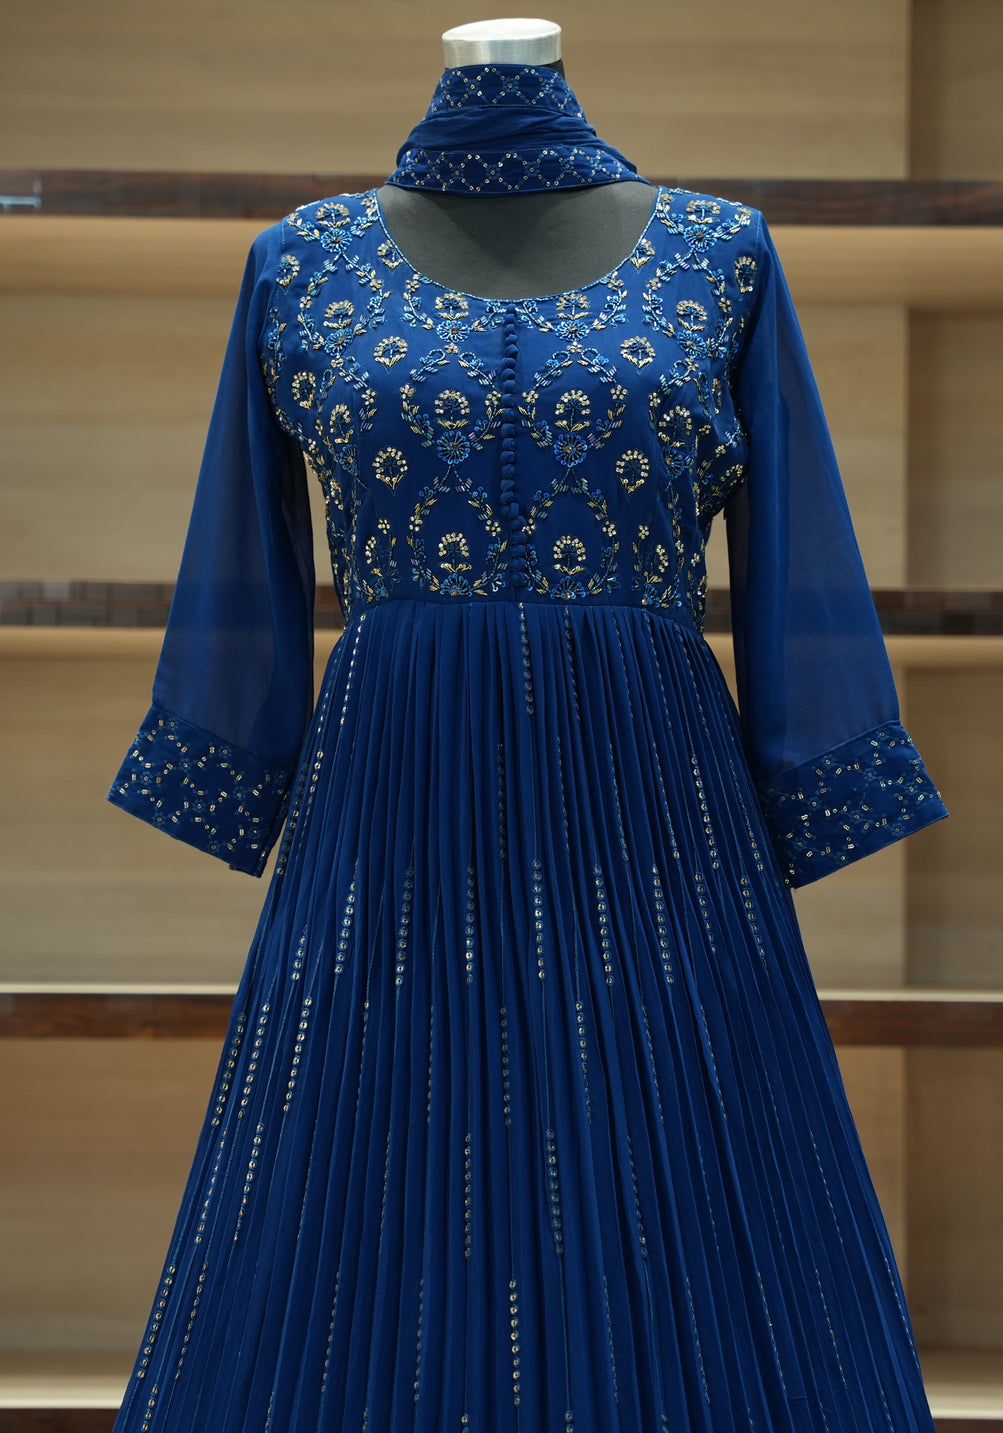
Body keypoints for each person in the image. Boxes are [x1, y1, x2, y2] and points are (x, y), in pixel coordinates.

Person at [107, 19, 948, 1433]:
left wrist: (823, 764)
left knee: (675, 1160)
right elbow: (240, 555)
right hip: (391, 808)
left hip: (655, 817)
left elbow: (798, 544)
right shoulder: (298, 261)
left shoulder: (721, 255)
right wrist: (228, 750)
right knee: (382, 1152)